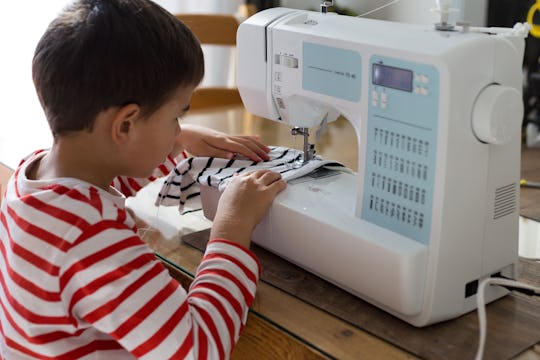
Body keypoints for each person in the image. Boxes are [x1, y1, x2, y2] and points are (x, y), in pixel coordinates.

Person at [0, 0, 286, 359]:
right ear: (125, 125)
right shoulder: (91, 238)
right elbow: (198, 349)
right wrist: (231, 228)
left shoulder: (35, 179)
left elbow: (110, 181)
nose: (179, 128)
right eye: (176, 117)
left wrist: (179, 143)